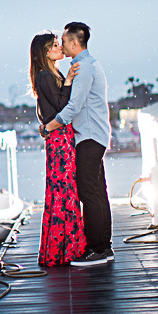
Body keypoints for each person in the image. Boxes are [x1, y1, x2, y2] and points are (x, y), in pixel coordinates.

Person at [42, 21, 114, 266]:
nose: (61, 44)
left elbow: (74, 105)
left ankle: (97, 249)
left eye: (63, 40)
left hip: (89, 137)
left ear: (74, 42)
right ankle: (104, 247)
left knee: (88, 192)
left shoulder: (83, 67)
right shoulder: (87, 65)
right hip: (95, 136)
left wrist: (49, 126)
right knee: (98, 192)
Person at [29, 32, 86, 266]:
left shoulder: (53, 73)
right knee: (63, 191)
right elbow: (61, 107)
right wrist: (70, 81)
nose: (59, 47)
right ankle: (63, 250)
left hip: (61, 136)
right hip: (59, 138)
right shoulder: (45, 75)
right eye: (54, 45)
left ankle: (65, 248)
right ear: (44, 52)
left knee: (65, 191)